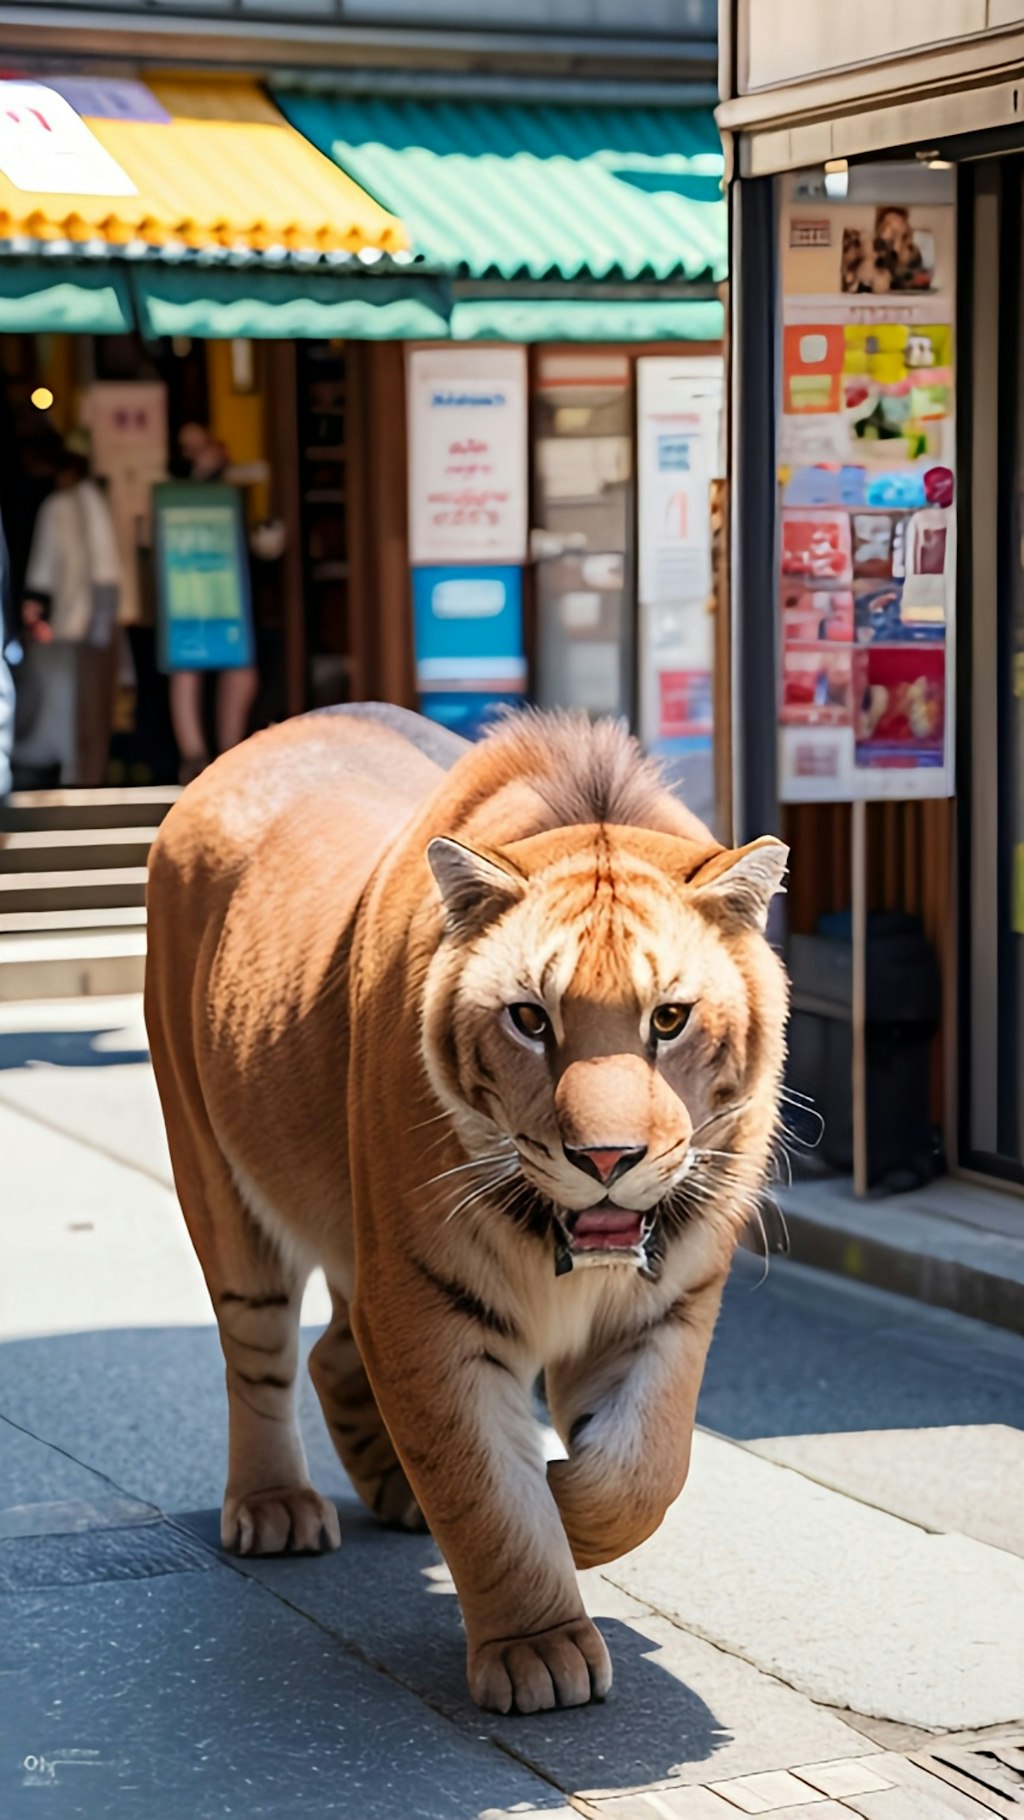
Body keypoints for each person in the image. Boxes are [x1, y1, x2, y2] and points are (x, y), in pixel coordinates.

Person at [15, 441, 121, 787]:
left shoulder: (59, 506)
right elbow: (107, 569)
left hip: (70, 620)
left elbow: (42, 568)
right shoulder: (97, 503)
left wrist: (36, 607)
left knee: (62, 695)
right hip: (92, 618)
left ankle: (68, 767)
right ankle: (80, 769)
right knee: (88, 699)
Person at [168, 422, 261, 785]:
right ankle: (193, 756)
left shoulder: (233, 488)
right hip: (185, 593)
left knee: (239, 668)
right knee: (186, 665)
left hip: (226, 591)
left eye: (202, 445)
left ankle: (229, 753)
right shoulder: (173, 491)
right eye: (188, 449)